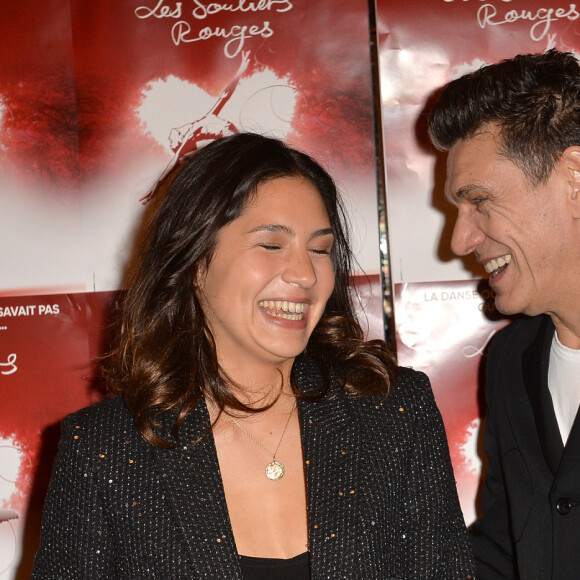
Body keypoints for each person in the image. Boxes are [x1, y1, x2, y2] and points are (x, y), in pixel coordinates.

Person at [32, 133, 474, 578]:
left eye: (320, 249)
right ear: (194, 260)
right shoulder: (103, 448)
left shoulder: (393, 412)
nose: (305, 274)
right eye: (271, 244)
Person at [429, 49, 580, 580]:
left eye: (480, 201)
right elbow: (499, 554)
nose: (460, 240)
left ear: (575, 179)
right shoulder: (511, 360)